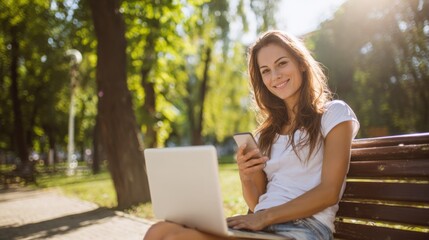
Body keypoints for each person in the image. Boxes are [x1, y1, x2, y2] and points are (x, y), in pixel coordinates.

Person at [144, 30, 359, 240]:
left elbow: (329, 192)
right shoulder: (266, 134)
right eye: (265, 70)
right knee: (159, 230)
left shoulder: (334, 113)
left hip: (305, 228)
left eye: (282, 63)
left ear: (301, 63)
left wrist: (264, 217)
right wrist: (246, 176)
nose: (275, 76)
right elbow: (256, 203)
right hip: (263, 225)